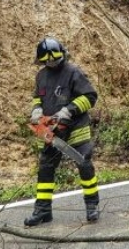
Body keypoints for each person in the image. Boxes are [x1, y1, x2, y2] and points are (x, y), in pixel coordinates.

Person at [24, 37, 100, 226]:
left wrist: (69, 110)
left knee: (83, 163)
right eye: (47, 61)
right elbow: (37, 98)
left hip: (76, 126)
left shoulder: (73, 72)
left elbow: (90, 96)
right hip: (52, 129)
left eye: (54, 59)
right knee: (45, 168)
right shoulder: (41, 76)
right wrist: (37, 111)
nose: (52, 63)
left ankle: (92, 206)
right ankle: (43, 211)